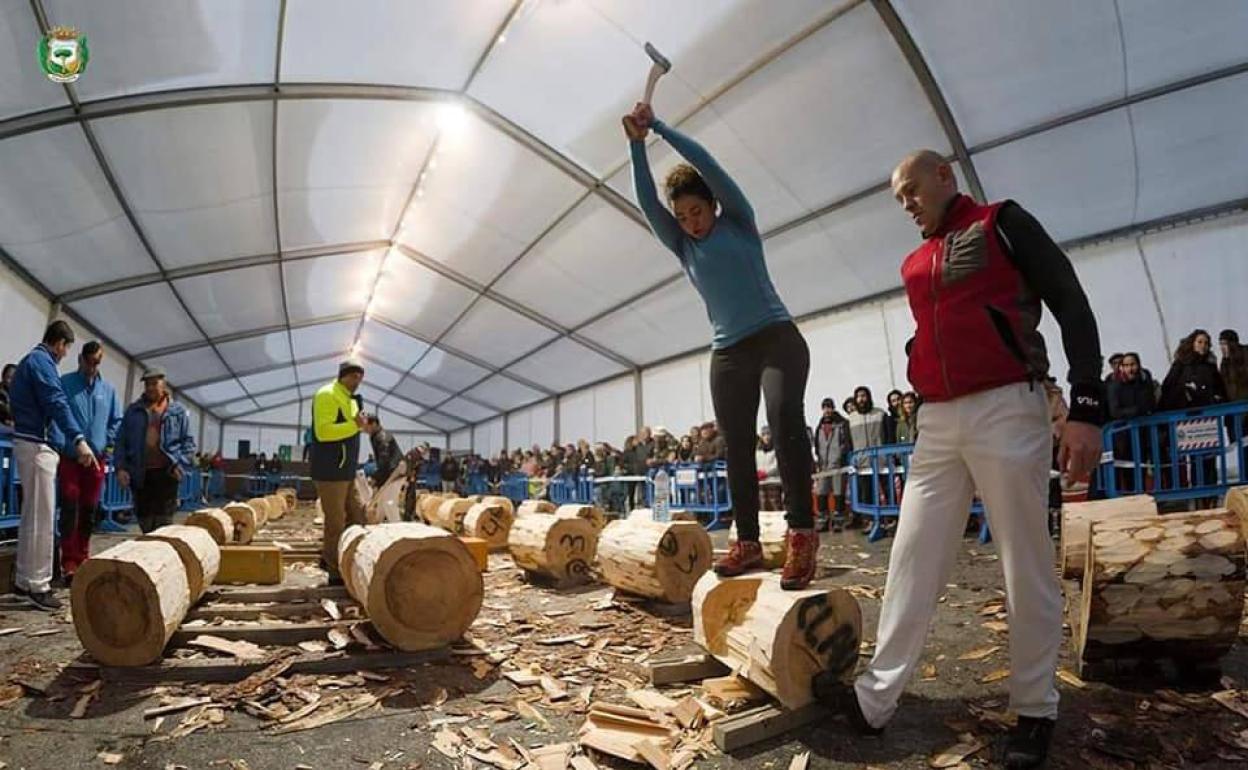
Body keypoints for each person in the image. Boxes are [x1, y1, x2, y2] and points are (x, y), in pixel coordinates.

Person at [815, 150, 1105, 770]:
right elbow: (932, 327)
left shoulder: (1002, 221)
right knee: (910, 555)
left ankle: (1035, 708)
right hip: (938, 418)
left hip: (1008, 405)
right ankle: (875, 699)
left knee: (1023, 558)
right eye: (898, 198)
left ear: (945, 175)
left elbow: (1070, 300)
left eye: (913, 189)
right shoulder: (915, 259)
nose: (907, 203)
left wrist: (1087, 405)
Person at [626, 101, 818, 589]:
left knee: (783, 419)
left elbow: (710, 168)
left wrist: (661, 129)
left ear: (712, 205)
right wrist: (634, 146)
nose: (691, 222)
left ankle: (801, 534)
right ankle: (748, 542)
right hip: (729, 352)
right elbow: (649, 202)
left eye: (696, 211)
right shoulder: (683, 246)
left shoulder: (739, 221)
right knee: (735, 446)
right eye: (683, 217)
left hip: (777, 339)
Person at [8, 322, 97, 610]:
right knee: (42, 518)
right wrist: (79, 439)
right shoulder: (42, 362)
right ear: (59, 343)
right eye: (65, 349)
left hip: (30, 442)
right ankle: (39, 583)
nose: (63, 355)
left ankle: (24, 579)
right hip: (37, 445)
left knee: (31, 516)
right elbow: (56, 402)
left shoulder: (30, 361)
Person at [49, 342, 122, 579]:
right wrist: (65, 446)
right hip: (71, 458)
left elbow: (115, 421)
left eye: (97, 363)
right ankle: (68, 559)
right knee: (70, 507)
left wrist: (106, 443)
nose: (92, 367)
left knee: (90, 510)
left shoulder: (108, 391)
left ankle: (83, 555)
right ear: (80, 359)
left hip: (96, 460)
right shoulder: (65, 384)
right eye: (88, 362)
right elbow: (57, 417)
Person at [115, 368, 196, 534]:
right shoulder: (133, 410)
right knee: (144, 519)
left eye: (154, 383)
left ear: (164, 384)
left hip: (167, 473)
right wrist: (121, 468)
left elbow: (188, 442)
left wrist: (180, 463)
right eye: (147, 384)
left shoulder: (177, 411)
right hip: (141, 473)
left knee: (164, 522)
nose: (150, 387)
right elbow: (121, 441)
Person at [309, 359, 368, 585]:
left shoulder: (349, 399)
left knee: (357, 515)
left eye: (360, 378)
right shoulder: (327, 394)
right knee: (335, 522)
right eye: (354, 377)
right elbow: (324, 432)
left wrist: (357, 424)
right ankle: (335, 571)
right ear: (343, 375)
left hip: (346, 470)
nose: (357, 382)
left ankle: (347, 559)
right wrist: (355, 425)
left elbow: (354, 426)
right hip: (330, 469)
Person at [1107, 353, 1156, 494]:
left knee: (1141, 468)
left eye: (1132, 364)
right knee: (1126, 471)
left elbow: (1151, 404)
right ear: (1121, 368)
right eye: (1126, 365)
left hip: (1141, 434)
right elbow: (1114, 411)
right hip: (1122, 436)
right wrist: (1136, 410)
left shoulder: (1144, 383)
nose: (1130, 369)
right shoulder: (1114, 386)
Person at [846, 386, 894, 513]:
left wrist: (890, 456)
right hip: (862, 463)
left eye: (864, 396)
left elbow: (889, 437)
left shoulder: (880, 414)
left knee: (888, 491)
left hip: (882, 460)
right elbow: (849, 443)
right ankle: (870, 520)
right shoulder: (851, 419)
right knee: (867, 493)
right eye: (859, 396)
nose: (861, 399)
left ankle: (892, 519)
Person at [813, 398, 852, 532]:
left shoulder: (842, 424)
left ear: (833, 408)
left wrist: (842, 458)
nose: (827, 410)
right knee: (821, 493)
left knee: (838, 493)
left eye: (829, 407)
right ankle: (823, 520)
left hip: (838, 466)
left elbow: (847, 444)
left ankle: (838, 521)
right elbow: (817, 445)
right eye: (825, 408)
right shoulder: (819, 426)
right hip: (824, 466)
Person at [363, 415, 402, 487]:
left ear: (374, 424)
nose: (363, 429)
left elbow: (384, 460)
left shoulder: (381, 437)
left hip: (392, 472)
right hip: (389, 471)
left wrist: (375, 477)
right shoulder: (375, 436)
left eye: (365, 426)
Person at [1218, 329, 1248, 403]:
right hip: (1235, 405)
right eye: (1220, 344)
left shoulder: (1245, 355)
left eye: (1224, 344)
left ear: (1232, 343)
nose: (1222, 347)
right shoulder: (1225, 362)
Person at [0, 363, 17, 427]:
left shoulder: (22, 393)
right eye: (8, 377)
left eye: (13, 378)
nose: (9, 381)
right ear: (3, 377)